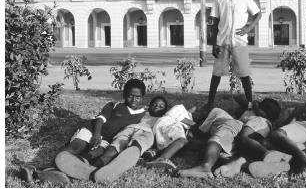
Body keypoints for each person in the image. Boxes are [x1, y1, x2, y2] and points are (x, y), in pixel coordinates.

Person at [20, 79, 148, 184]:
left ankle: (47, 173)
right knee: (76, 147)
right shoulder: (114, 105)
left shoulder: (142, 115)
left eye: (138, 97)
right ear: (124, 95)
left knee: (94, 156)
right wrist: (96, 134)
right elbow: (100, 119)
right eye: (130, 95)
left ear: (142, 97)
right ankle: (45, 169)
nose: (134, 99)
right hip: (92, 130)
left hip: (108, 141)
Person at [178, 98, 280, 179]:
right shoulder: (252, 110)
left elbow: (246, 137)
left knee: (222, 133)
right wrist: (253, 105)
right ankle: (198, 134)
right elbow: (238, 98)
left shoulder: (262, 120)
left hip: (237, 128)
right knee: (218, 113)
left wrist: (266, 153)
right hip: (235, 129)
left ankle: (206, 167)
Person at [205, 0, 262, 110]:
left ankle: (249, 103)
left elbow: (258, 14)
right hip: (222, 42)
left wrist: (248, 28)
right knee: (216, 74)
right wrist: (213, 44)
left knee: (244, 74)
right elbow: (214, 21)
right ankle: (210, 103)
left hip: (239, 42)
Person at [92, 95, 170, 182]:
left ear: (165, 110)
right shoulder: (143, 112)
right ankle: (92, 168)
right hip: (129, 128)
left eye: (161, 106)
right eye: (154, 104)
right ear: (149, 105)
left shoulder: (164, 119)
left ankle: (114, 169)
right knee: (113, 148)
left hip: (148, 133)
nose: (156, 107)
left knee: (134, 148)